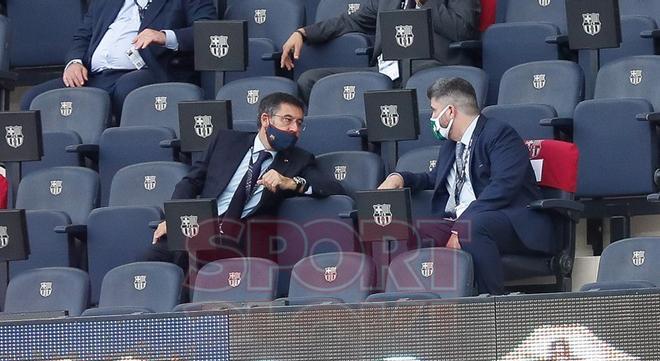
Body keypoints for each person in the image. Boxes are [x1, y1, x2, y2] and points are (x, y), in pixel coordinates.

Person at [378, 77, 558, 295]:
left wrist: (461, 226)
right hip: (462, 221)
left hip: (508, 220)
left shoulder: (500, 134)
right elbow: (436, 178)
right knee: (407, 230)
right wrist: (400, 177)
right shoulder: (451, 144)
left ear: (451, 111)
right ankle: (411, 301)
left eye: (435, 111)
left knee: (473, 226)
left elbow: (503, 186)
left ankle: (491, 304)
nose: (432, 118)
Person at [150, 92, 345, 264]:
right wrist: (172, 219)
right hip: (198, 227)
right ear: (266, 119)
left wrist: (290, 182)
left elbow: (330, 187)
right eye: (288, 120)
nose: (295, 128)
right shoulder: (226, 141)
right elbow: (191, 182)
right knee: (151, 262)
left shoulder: (299, 159)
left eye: (299, 123)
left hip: (240, 239)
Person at [21, 0, 217, 117]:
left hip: (148, 73)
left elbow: (208, 32)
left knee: (129, 87)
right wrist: (74, 62)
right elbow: (82, 36)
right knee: (33, 99)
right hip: (92, 77)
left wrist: (164, 36)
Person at [280, 0, 480, 101]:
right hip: (385, 70)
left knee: (413, 72)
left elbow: (463, 30)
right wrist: (304, 33)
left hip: (428, 67)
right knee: (310, 80)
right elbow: (349, 21)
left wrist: (424, 3)